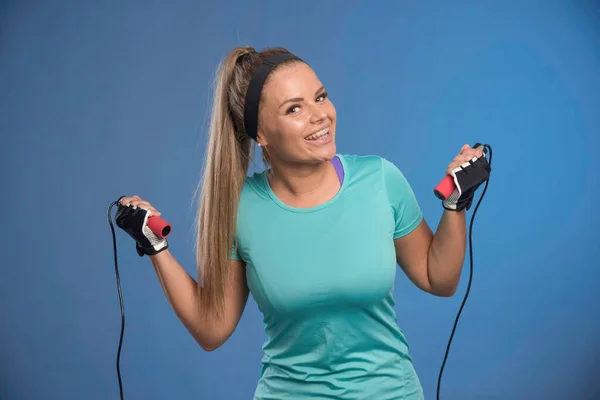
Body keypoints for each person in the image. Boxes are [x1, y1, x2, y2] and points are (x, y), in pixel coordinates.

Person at [116, 46, 488, 400]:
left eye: (320, 97)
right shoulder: (239, 208)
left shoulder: (380, 179)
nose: (319, 115)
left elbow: (438, 279)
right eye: (294, 109)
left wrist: (455, 205)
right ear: (260, 134)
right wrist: (156, 247)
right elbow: (212, 329)